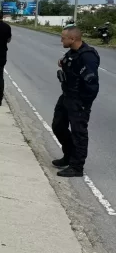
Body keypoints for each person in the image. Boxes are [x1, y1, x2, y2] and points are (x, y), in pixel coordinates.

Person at [51, 25, 100, 178]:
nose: (61, 40)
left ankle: (77, 166)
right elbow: (68, 63)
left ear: (72, 39)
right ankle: (69, 155)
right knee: (58, 126)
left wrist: (83, 103)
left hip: (79, 100)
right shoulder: (73, 52)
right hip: (66, 95)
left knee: (79, 133)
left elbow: (92, 84)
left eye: (63, 37)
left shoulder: (87, 56)